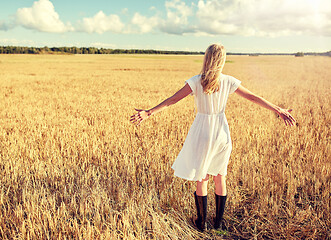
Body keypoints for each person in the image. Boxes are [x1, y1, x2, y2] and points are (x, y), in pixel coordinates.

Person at [130, 44, 296, 232]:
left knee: (202, 178)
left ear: (206, 58)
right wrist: (278, 109)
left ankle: (202, 225)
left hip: (202, 131)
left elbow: (173, 99)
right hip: (221, 132)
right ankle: (218, 224)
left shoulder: (196, 81)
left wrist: (149, 112)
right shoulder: (228, 81)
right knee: (220, 176)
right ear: (222, 60)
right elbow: (253, 97)